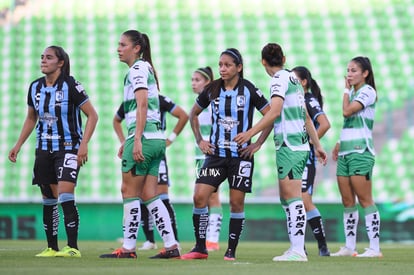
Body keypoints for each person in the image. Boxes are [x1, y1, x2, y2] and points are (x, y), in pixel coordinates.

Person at [234, 43, 327, 262]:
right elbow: (304, 116)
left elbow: (273, 112)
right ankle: (295, 247)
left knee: (292, 197)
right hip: (298, 145)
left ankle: (298, 250)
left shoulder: (278, 80)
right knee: (287, 198)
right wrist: (318, 145)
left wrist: (249, 134)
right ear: (283, 58)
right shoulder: (294, 79)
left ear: (263, 62)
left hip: (290, 145)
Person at [180, 48, 272, 261]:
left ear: (239, 67)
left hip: (241, 156)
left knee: (236, 203)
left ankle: (230, 250)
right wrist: (200, 140)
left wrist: (256, 143)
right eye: (220, 64)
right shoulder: (212, 89)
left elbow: (270, 116)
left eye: (227, 65)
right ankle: (200, 248)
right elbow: (193, 113)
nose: (222, 68)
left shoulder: (249, 89)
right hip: (216, 155)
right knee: (199, 196)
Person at [8, 45, 99, 258]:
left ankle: (73, 247)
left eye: (48, 58)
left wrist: (83, 144)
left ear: (60, 63)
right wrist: (18, 144)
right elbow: (31, 118)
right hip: (43, 149)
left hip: (68, 148)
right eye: (42, 57)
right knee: (48, 198)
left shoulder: (71, 85)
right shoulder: (35, 87)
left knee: (66, 194)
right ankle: (51, 247)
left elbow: (92, 115)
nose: (43, 61)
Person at [99, 30, 180, 259]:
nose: (118, 48)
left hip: (143, 138)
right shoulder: (146, 68)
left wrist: (135, 140)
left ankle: (128, 248)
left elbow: (142, 104)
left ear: (136, 48)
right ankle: (172, 245)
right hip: (156, 139)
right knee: (150, 194)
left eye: (123, 44)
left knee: (129, 191)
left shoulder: (137, 69)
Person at [112, 93, 188, 250]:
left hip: (151, 146)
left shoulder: (159, 99)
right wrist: (124, 141)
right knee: (142, 195)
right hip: (138, 146)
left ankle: (173, 240)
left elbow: (183, 115)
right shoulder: (128, 101)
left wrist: (171, 138)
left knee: (160, 196)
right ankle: (151, 240)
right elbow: (116, 120)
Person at [331, 56, 382, 257]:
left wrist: (345, 90)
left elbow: (346, 112)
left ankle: (375, 248)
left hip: (361, 152)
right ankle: (349, 247)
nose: (349, 74)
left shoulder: (367, 91)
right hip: (345, 152)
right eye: (348, 70)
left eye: (353, 70)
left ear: (365, 73)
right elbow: (350, 122)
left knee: (365, 199)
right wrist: (338, 142)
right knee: (347, 201)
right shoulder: (354, 93)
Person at [292, 66, 331, 256]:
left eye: (294, 79)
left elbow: (324, 124)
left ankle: (322, 245)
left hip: (305, 159)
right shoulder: (296, 100)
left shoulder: (308, 99)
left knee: (304, 200)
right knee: (293, 200)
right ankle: (300, 247)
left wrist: (310, 144)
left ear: (304, 82)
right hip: (294, 157)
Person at [191, 66, 223, 251]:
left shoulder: (214, 103)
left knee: (212, 197)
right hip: (199, 157)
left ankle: (212, 239)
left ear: (208, 82)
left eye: (197, 80)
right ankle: (206, 238)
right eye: (192, 80)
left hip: (212, 156)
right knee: (201, 196)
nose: (193, 83)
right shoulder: (199, 105)